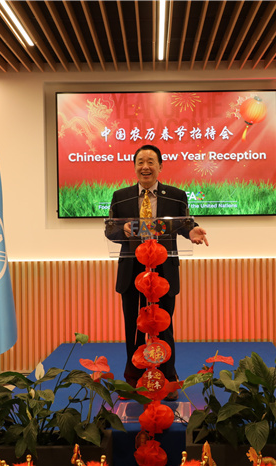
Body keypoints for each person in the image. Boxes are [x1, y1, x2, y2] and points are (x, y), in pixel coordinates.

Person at [106, 144, 208, 400]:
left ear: (160, 166)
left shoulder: (175, 196)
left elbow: (185, 223)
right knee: (134, 326)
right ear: (134, 167)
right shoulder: (121, 196)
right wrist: (123, 231)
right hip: (132, 271)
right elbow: (110, 230)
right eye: (140, 162)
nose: (145, 167)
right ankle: (133, 379)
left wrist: (192, 231)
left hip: (163, 272)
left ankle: (167, 377)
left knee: (163, 326)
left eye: (151, 161)